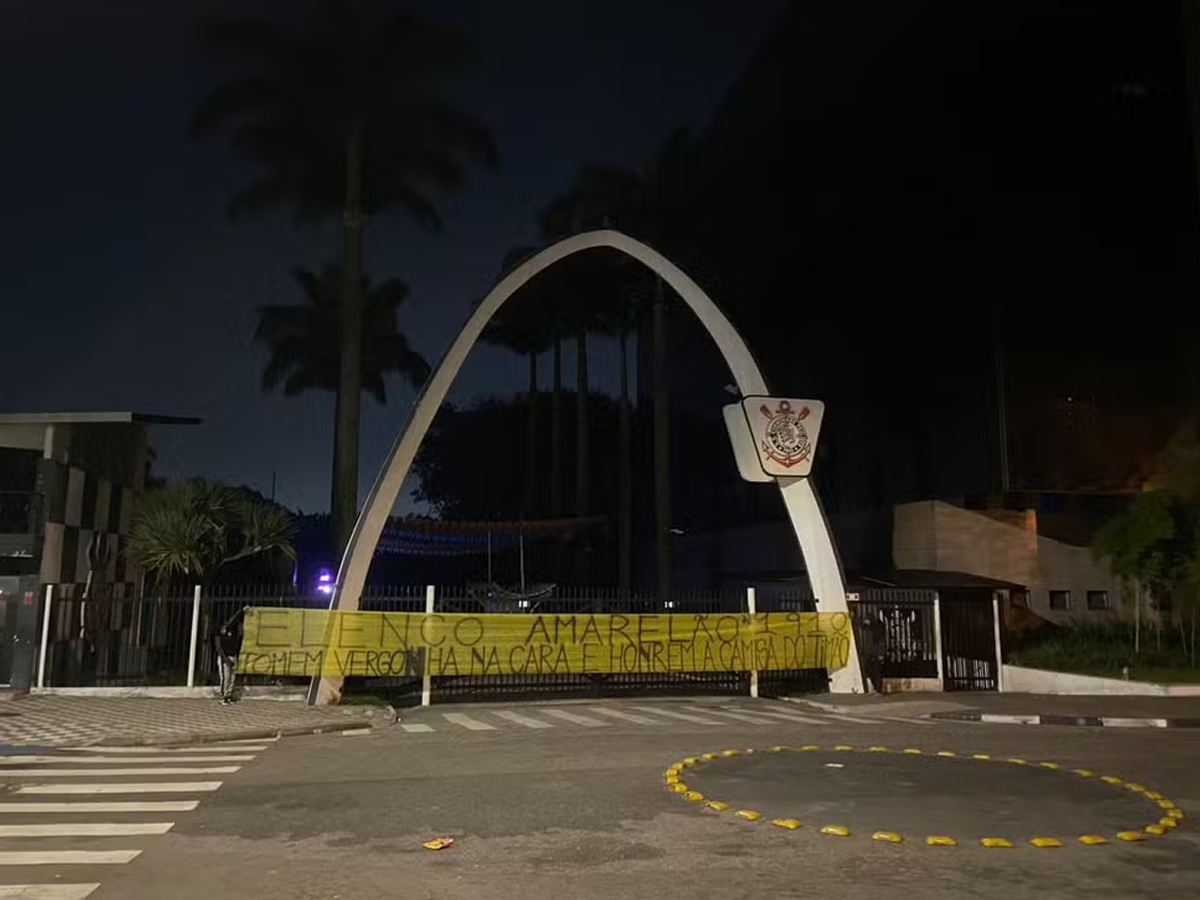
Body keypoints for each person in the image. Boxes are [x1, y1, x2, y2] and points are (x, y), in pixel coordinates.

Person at [214, 607, 246, 704]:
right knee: (225, 677)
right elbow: (218, 646)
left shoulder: (234, 631)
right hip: (225, 657)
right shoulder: (219, 630)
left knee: (232, 677)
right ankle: (224, 696)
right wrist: (225, 659)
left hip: (232, 656)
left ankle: (229, 695)